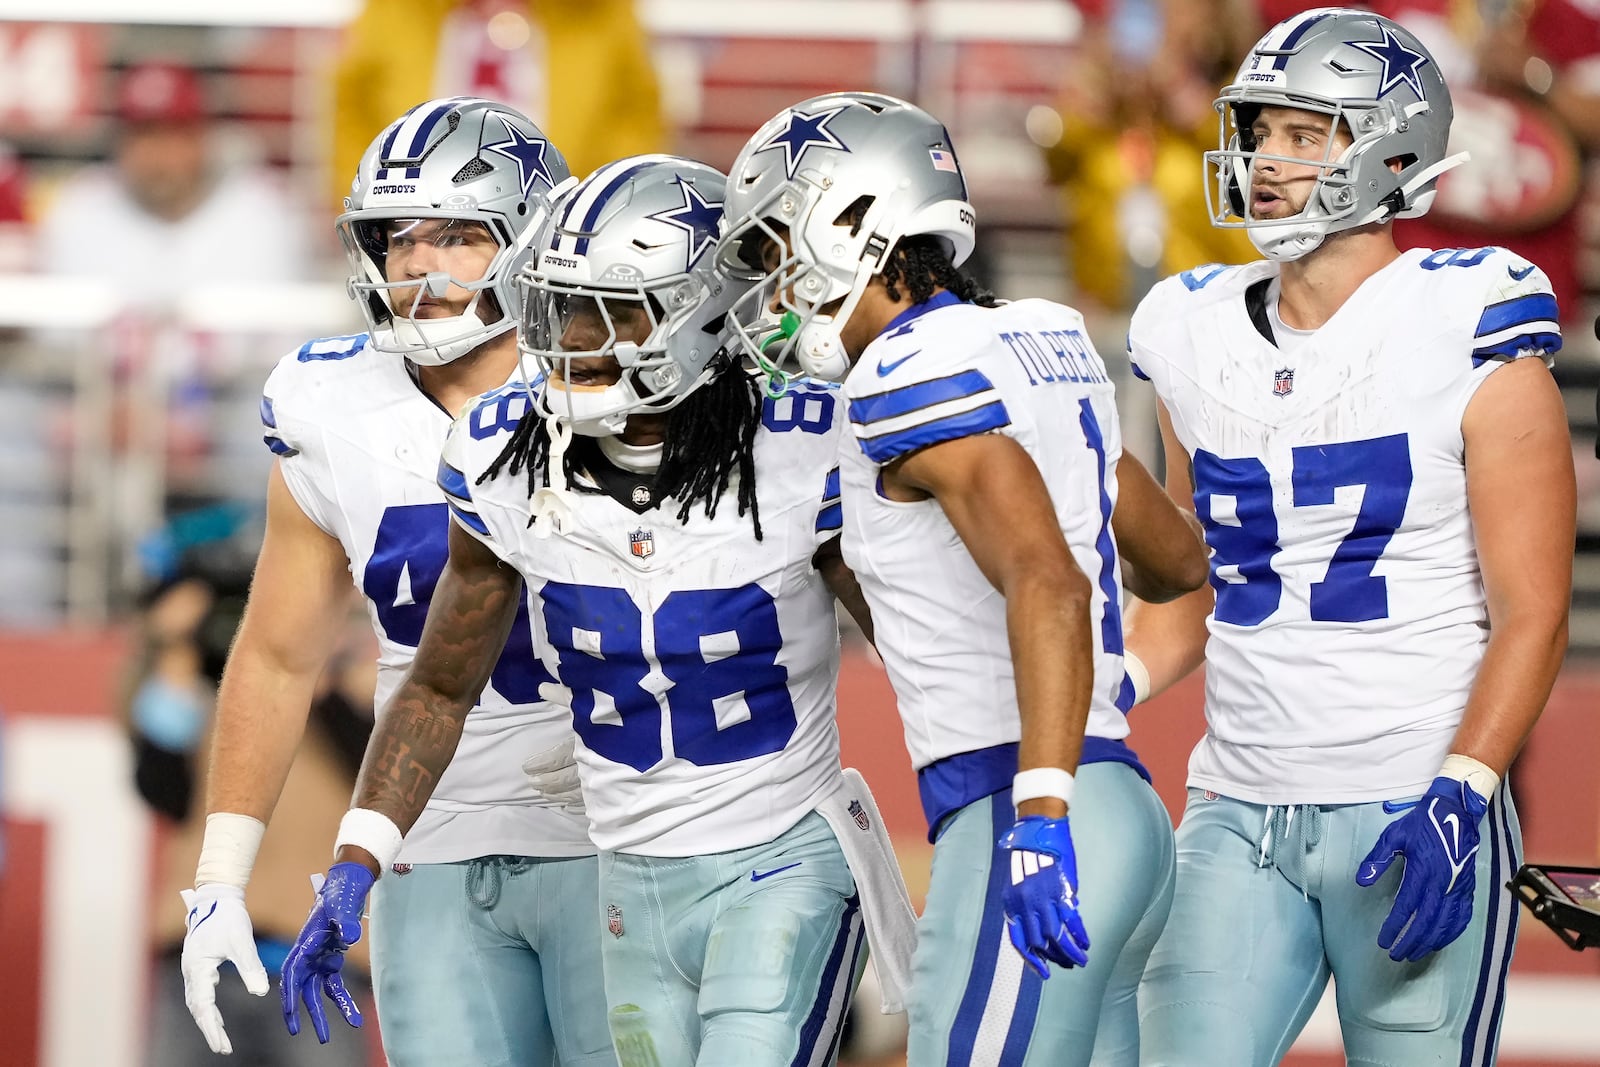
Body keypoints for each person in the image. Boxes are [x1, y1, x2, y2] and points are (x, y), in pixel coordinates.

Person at [280, 155, 915, 1067]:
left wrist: (1019, 796)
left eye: (611, 307)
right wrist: (356, 856)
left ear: (701, 312)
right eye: (559, 302)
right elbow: (438, 685)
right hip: (631, 884)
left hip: (783, 862)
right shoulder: (504, 456)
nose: (571, 334)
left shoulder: (805, 448)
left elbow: (918, 644)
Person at [715, 92, 1211, 1066]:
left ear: (855, 220)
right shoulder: (1033, 338)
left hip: (1023, 811)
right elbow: (1176, 558)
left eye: (778, 246)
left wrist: (1036, 813)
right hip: (1125, 812)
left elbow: (1051, 583)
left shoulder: (907, 373)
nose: (770, 284)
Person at [1123, 9, 1575, 1065]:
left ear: (1394, 151)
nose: (1264, 162)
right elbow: (1201, 580)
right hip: (1236, 804)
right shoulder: (1189, 331)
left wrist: (1466, 788)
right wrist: (1108, 693)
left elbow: (1532, 609)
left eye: (1303, 134)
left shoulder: (1468, 319)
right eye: (1257, 132)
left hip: (1413, 797)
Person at [175, 97, 619, 1067]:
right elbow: (280, 652)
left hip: (624, 833)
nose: (419, 265)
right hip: (429, 838)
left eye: (459, 235)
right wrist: (221, 877)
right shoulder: (328, 401)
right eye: (396, 238)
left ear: (535, 237)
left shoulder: (622, 380)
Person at [328, 0, 664, 210]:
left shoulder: (604, 13)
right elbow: (352, 109)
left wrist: (596, 218)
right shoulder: (395, 9)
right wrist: (367, 207)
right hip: (413, 229)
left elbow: (634, 120)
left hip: (558, 242)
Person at [38, 59, 310, 307]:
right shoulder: (79, 211)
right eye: (144, 135)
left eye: (176, 134)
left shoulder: (265, 213)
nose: (159, 155)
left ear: (206, 138)